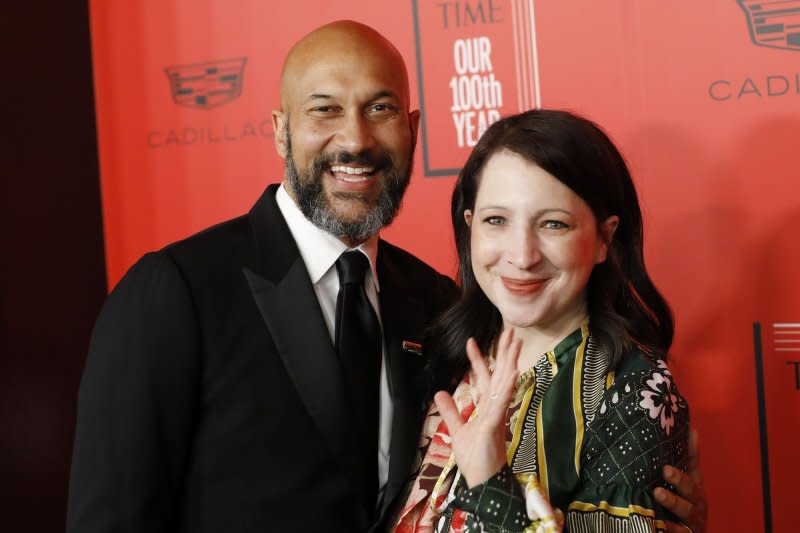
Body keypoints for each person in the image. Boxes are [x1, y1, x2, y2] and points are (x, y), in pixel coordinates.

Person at [67, 21, 705, 533]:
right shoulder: (175, 291)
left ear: (413, 129)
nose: (356, 138)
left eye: (380, 109)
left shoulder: (437, 307)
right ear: (280, 131)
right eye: (324, 111)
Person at [392, 109, 702, 532]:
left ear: (604, 240)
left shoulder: (632, 387)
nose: (522, 255)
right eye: (496, 220)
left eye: (554, 224)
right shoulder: (441, 346)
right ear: (470, 228)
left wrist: (489, 485)